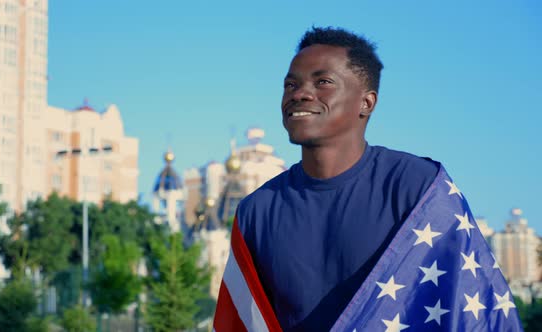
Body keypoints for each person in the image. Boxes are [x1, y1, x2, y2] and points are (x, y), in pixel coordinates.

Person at [214, 27, 521, 332]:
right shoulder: (256, 210)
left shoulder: (420, 188)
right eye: (290, 84)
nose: (300, 94)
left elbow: (474, 313)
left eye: (323, 82)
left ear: (367, 103)